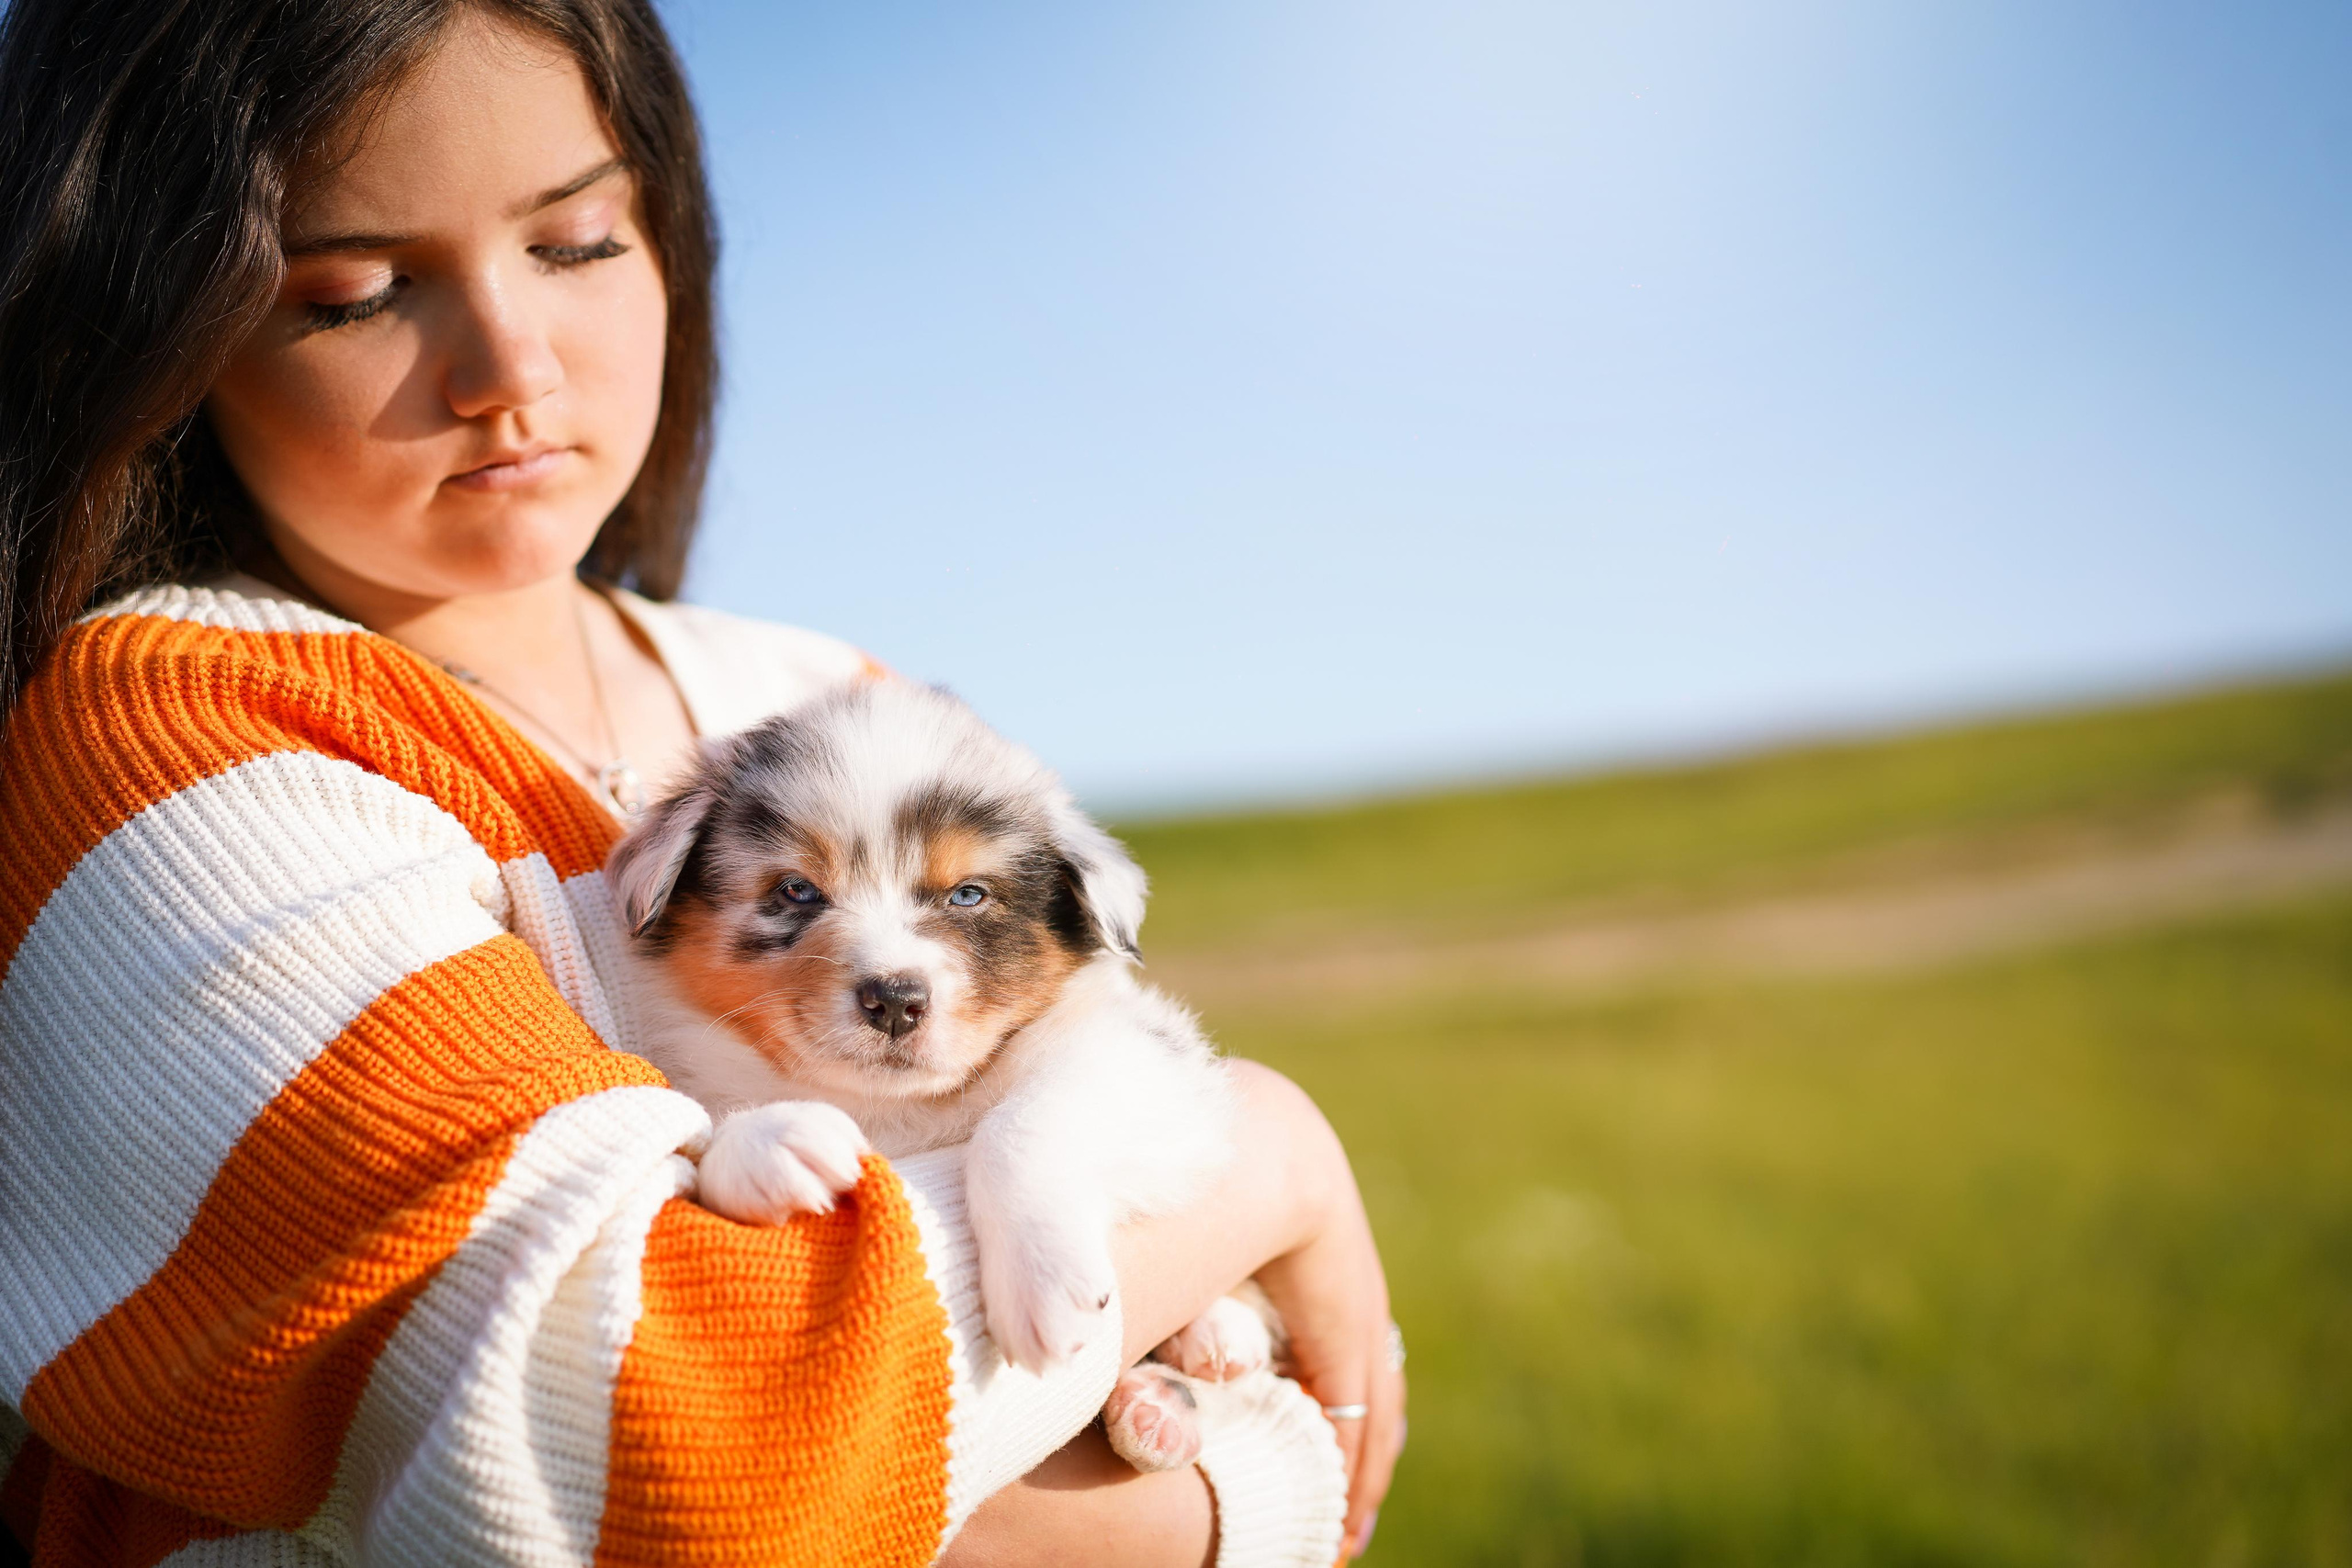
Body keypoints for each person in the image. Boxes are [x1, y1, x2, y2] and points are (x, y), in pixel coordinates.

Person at [0, 1, 1404, 1564]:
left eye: (577, 242)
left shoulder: (833, 692)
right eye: (357, 294)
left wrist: (1212, 1458)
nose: (511, 369)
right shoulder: (167, 751)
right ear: (162, 330)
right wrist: (1270, 1159)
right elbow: (652, 1466)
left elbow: (1204, 1339)